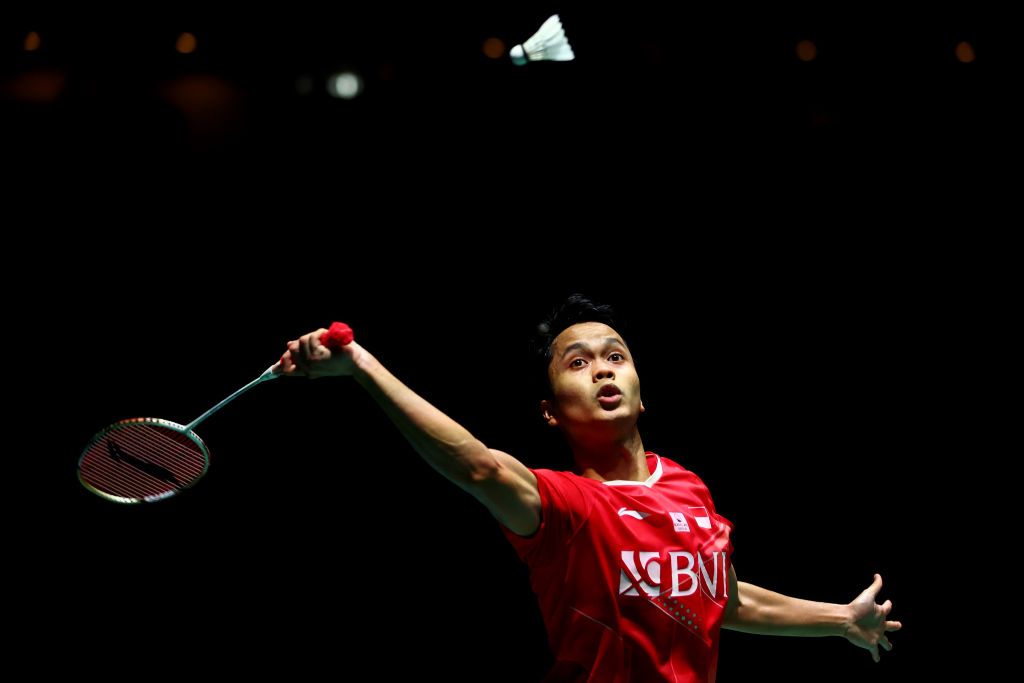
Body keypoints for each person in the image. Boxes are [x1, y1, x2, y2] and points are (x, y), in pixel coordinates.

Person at [278, 294, 901, 682]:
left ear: (640, 392)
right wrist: (361, 366)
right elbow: (480, 468)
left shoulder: (689, 488)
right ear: (550, 411)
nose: (602, 369)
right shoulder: (562, 507)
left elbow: (725, 602)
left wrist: (840, 619)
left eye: (615, 356)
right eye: (578, 362)